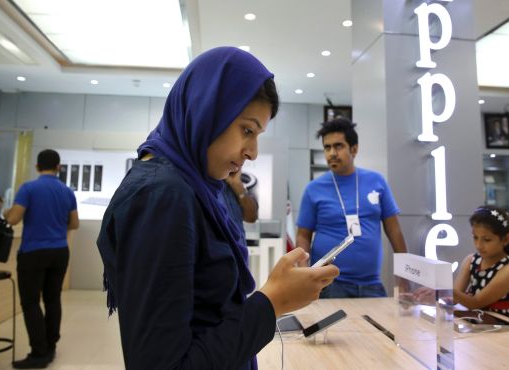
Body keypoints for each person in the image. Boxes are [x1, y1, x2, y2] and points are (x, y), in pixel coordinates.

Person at [96, 47, 339, 370]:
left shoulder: (195, 186)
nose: (252, 151)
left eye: (257, 135)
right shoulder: (162, 196)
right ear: (206, 111)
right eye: (247, 130)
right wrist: (272, 301)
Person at [296, 118, 407, 298]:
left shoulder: (376, 181)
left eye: (338, 146)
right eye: (327, 147)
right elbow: (303, 235)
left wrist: (404, 275)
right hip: (329, 284)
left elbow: (394, 230)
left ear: (354, 149)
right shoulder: (314, 189)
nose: (332, 153)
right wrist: (304, 274)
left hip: (371, 284)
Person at [5, 149, 79, 368]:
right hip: (59, 251)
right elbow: (74, 224)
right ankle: (51, 345)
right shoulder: (67, 191)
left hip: (33, 253)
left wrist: (8, 213)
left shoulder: (28, 188)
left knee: (30, 302)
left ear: (37, 167)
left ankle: (39, 352)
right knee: (52, 299)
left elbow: (15, 219)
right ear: (59, 168)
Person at [453, 205, 509, 323]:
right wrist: (432, 294)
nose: (479, 245)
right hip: (477, 324)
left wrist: (444, 290)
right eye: (475, 237)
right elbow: (454, 299)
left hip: (505, 328)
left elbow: (476, 303)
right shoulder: (471, 260)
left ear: (506, 239)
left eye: (487, 240)